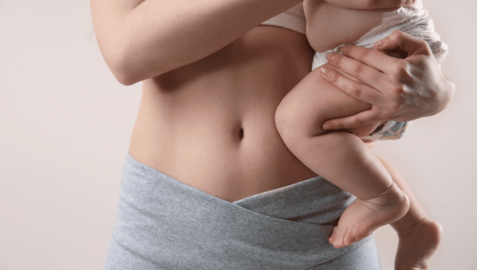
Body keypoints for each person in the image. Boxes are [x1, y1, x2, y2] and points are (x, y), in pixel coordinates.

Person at [89, 0, 454, 268]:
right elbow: (126, 54)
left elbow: (386, 23)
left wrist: (439, 90)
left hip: (317, 229)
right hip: (165, 230)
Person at [274, 0, 447, 250]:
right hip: (357, 49)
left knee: (294, 121)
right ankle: (415, 226)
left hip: (380, 45)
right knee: (355, 151)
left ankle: (382, 199)